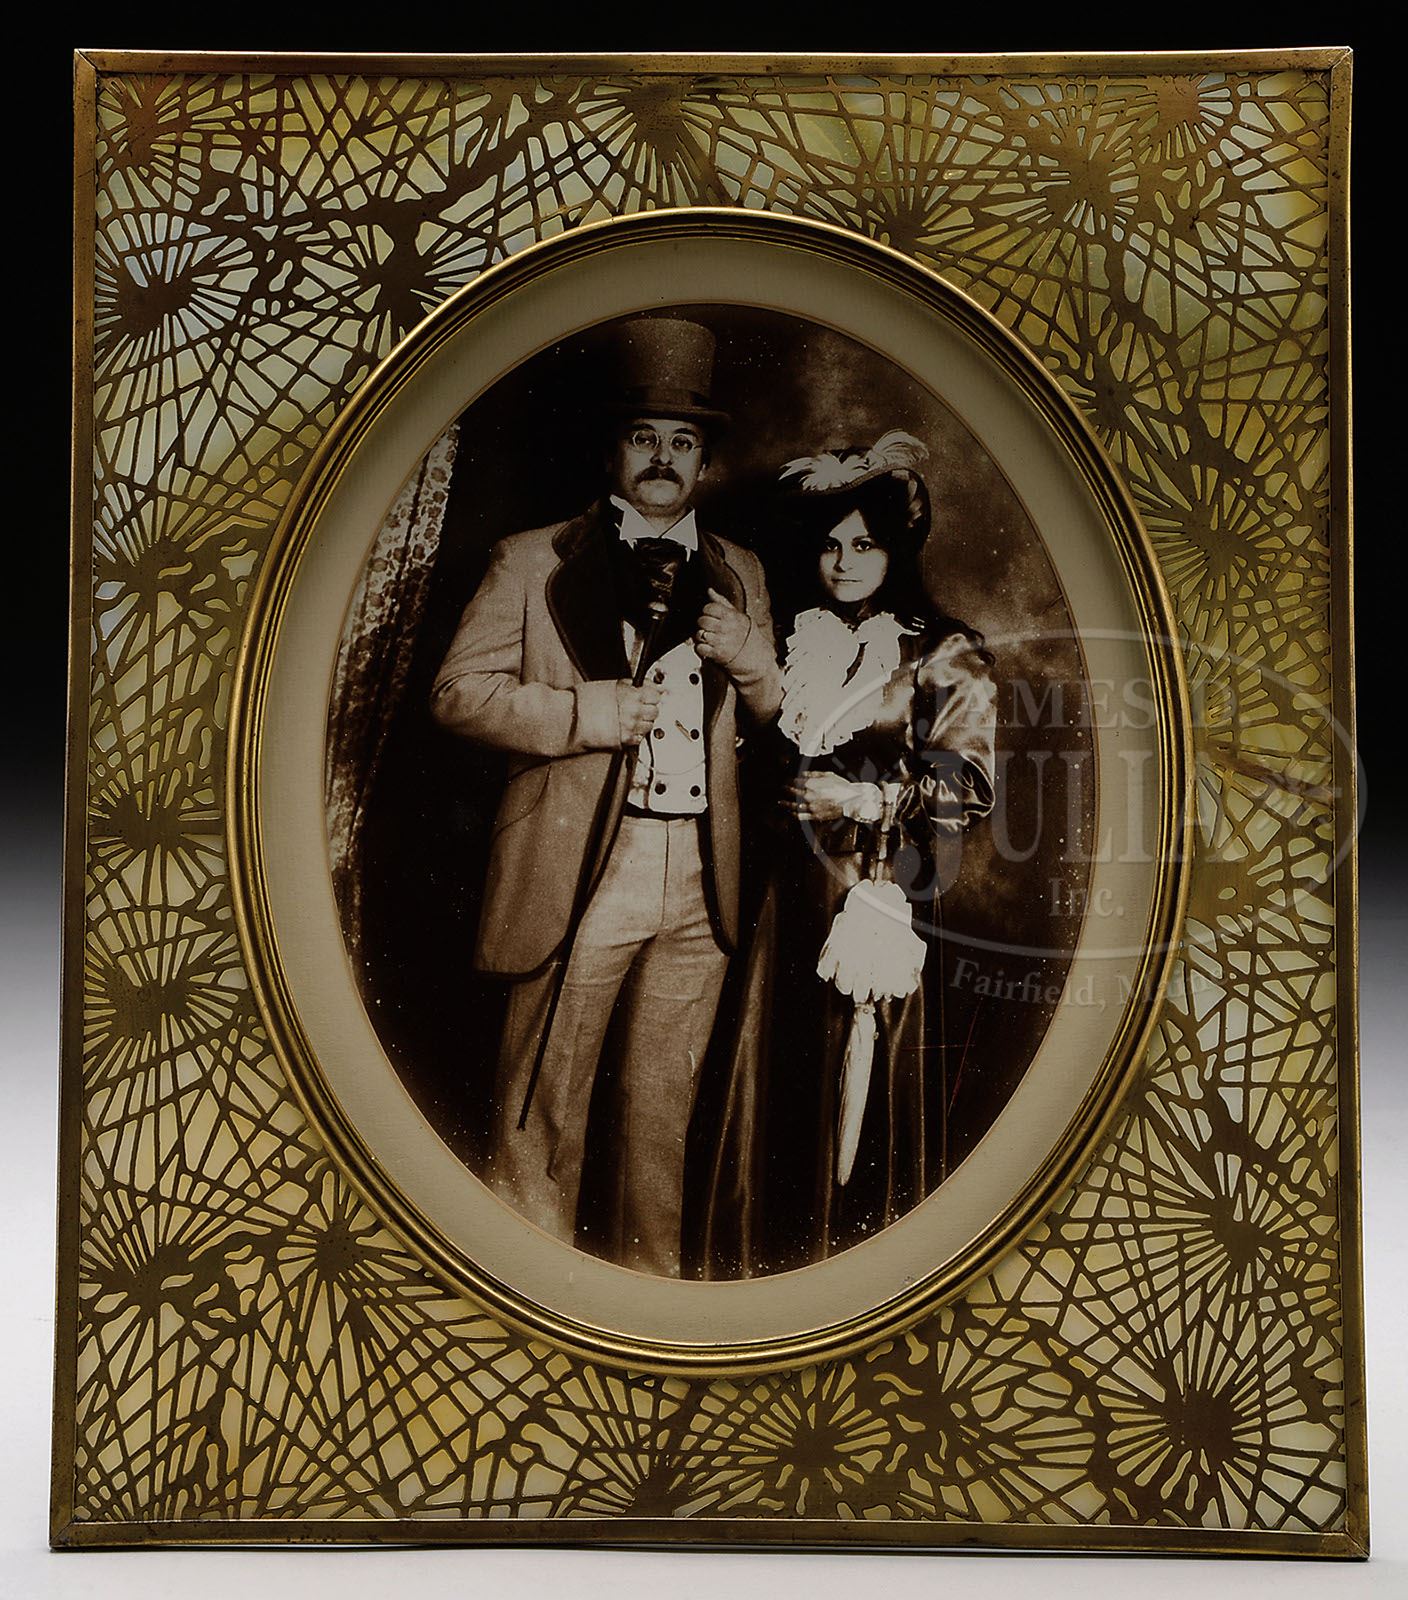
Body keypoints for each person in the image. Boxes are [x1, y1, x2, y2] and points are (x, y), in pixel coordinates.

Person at [430, 316, 781, 1277]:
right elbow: (456, 694)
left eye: (683, 441)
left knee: (663, 1115)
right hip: (582, 862)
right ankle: (524, 1294)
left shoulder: (742, 571)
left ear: (704, 460)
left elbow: (774, 715)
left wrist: (753, 660)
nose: (663, 458)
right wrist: (587, 713)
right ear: (611, 450)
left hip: (700, 876)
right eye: (643, 436)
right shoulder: (530, 558)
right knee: (545, 1104)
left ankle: (649, 1309)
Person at [699, 431, 997, 1275]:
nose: (844, 562)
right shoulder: (797, 635)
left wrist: (867, 799)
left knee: (856, 1085)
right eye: (831, 545)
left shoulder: (943, 648)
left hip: (874, 893)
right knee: (772, 1073)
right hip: (779, 896)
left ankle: (852, 1273)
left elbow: (969, 783)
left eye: (864, 544)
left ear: (895, 549)